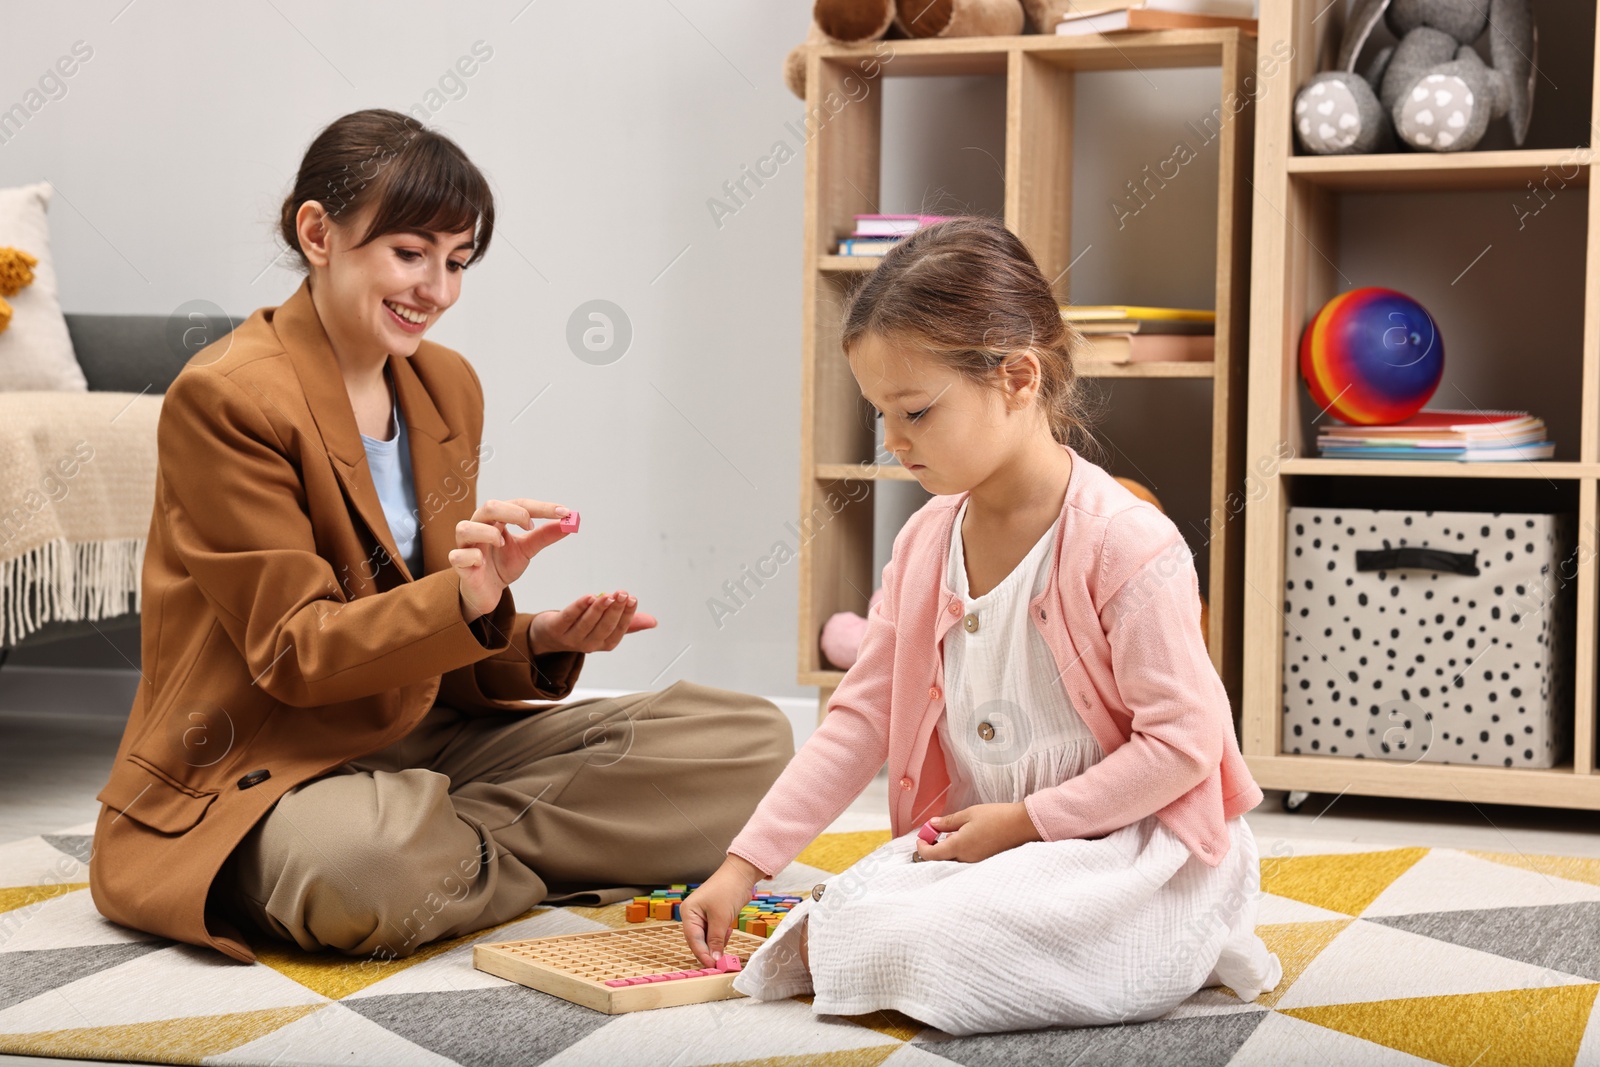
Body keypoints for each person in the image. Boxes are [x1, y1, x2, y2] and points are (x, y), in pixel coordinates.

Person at [88, 108, 793, 964]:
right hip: (274, 763)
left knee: (754, 745)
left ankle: (448, 852)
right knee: (364, 864)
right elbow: (295, 652)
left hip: (428, 746)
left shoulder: (446, 385)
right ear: (319, 232)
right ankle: (421, 856)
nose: (439, 289)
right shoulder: (227, 399)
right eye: (411, 253)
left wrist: (528, 632)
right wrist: (460, 600)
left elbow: (432, 630)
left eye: (457, 261)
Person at [680, 216, 1281, 1035]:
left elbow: (1182, 746)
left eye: (917, 412)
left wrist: (1028, 822)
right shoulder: (926, 541)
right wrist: (744, 865)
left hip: (1127, 847)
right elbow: (860, 718)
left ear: (1019, 378)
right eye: (879, 416)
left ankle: (1167, 941)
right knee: (847, 918)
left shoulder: (1126, 541)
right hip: (985, 843)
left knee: (934, 940)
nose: (894, 443)